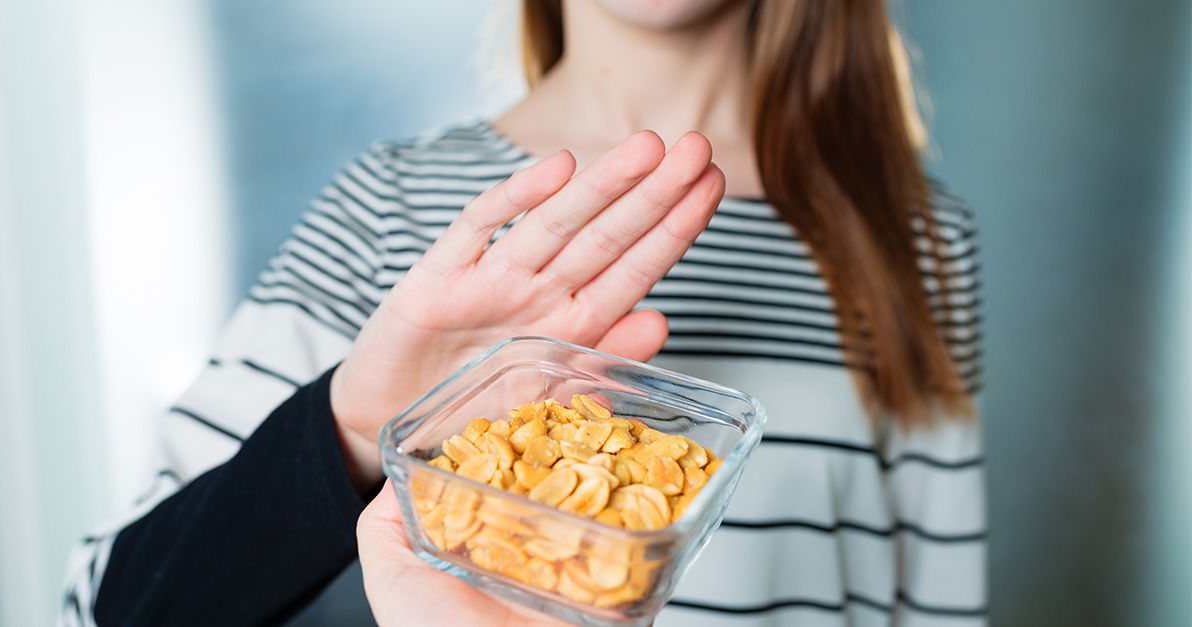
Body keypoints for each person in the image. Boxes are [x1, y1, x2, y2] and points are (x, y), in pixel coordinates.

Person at [62, 0, 986, 625]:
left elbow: (939, 603)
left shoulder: (913, 235)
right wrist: (351, 423)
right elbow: (102, 604)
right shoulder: (394, 207)